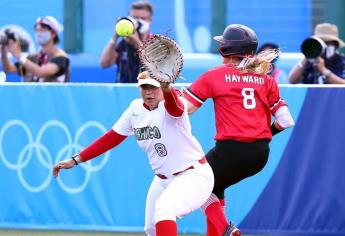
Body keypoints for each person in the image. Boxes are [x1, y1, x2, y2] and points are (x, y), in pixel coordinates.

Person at [53, 71, 214, 236]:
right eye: (144, 87)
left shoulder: (171, 103)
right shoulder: (135, 109)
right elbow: (111, 138)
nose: (148, 92)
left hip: (193, 174)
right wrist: (76, 159)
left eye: (153, 87)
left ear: (162, 87)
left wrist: (167, 89)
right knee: (151, 229)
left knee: (164, 209)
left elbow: (176, 109)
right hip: (162, 179)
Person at [183, 24, 295, 236]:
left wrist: (170, 98)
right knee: (216, 188)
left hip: (230, 150)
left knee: (198, 185)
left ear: (225, 49)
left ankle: (226, 230)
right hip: (260, 154)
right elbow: (285, 120)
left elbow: (186, 110)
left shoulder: (214, 75)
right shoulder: (266, 79)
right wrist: (263, 136)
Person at [1, 16, 69, 82]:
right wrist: (3, 48)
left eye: (42, 30)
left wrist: (19, 56)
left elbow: (41, 72)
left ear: (53, 33)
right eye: (37, 30)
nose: (38, 33)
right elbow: (8, 69)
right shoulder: (34, 58)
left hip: (53, 94)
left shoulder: (61, 57)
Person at [100, 1, 154, 83]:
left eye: (142, 19)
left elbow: (155, 68)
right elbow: (104, 64)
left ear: (150, 20)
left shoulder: (155, 42)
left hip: (146, 93)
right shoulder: (123, 43)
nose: (138, 22)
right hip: (122, 92)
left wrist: (138, 44)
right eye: (135, 18)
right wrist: (115, 36)